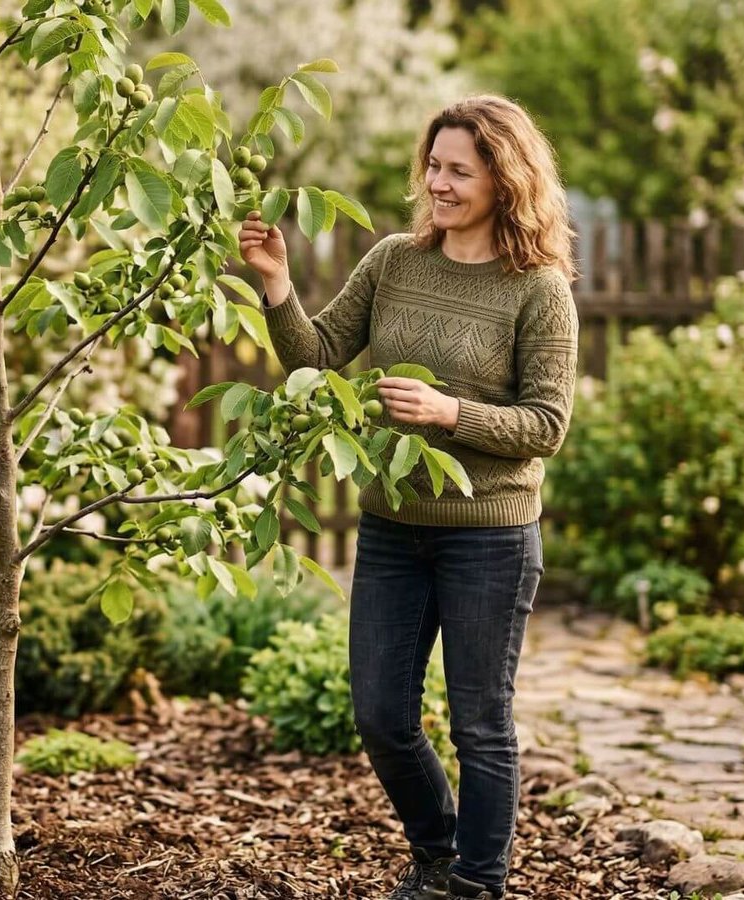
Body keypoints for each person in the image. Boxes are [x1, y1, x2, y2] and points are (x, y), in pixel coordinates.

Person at [236, 95, 579, 900]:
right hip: (392, 527)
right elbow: (315, 355)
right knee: (381, 717)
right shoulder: (394, 260)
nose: (439, 183)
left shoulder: (539, 290)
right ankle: (437, 852)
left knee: (480, 726)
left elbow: (548, 423)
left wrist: (450, 412)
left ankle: (476, 883)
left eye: (460, 170)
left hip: (488, 536)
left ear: (506, 179)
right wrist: (277, 285)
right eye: (434, 165)